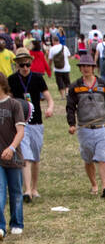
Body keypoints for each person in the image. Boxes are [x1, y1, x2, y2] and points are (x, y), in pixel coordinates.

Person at [66, 53, 105, 197]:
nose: (85, 68)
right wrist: (71, 124)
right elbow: (70, 107)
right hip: (84, 129)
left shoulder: (103, 86)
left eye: (88, 66)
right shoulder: (75, 87)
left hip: (101, 127)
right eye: (83, 66)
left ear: (93, 67)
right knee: (88, 159)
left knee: (103, 158)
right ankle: (94, 185)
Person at [9, 48, 54, 202]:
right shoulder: (12, 80)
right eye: (22, 65)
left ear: (31, 63)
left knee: (35, 158)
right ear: (17, 65)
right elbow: (8, 99)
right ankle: (27, 190)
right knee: (25, 156)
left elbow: (49, 97)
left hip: (37, 122)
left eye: (27, 64)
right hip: (20, 123)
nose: (25, 68)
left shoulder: (37, 78)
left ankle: (34, 188)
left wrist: (50, 107)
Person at [0, 71, 27, 240]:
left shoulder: (14, 105)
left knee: (16, 191)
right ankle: (0, 227)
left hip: (14, 156)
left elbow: (21, 131)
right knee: (0, 190)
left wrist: (11, 148)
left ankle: (17, 223)